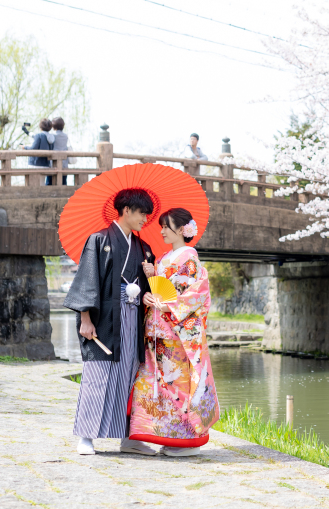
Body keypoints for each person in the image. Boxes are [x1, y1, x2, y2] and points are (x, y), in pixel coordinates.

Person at [63, 189, 158, 456]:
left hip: (133, 317)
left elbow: (152, 289)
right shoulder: (99, 240)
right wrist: (85, 319)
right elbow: (87, 281)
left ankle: (130, 437)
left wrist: (152, 276)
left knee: (130, 376)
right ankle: (86, 436)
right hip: (105, 319)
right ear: (126, 210)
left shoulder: (143, 248)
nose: (145, 219)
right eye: (141, 213)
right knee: (98, 375)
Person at [128, 207, 220, 456]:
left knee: (178, 386)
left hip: (176, 336)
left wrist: (165, 302)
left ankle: (186, 441)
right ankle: (164, 437)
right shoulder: (166, 257)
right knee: (157, 386)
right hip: (157, 333)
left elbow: (194, 295)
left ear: (181, 229)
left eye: (166, 227)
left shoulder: (189, 257)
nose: (162, 232)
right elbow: (161, 289)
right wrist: (151, 284)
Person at [50, 116, 70, 186]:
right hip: (64, 162)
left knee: (50, 182)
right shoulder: (65, 136)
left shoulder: (52, 135)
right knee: (64, 181)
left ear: (53, 126)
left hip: (53, 162)